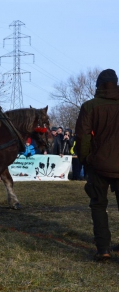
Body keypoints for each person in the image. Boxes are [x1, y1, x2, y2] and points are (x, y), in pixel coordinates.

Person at [75, 69, 119, 261]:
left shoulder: (90, 106)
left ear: (98, 86)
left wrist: (85, 158)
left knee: (98, 205)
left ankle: (103, 249)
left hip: (98, 163)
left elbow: (83, 136)